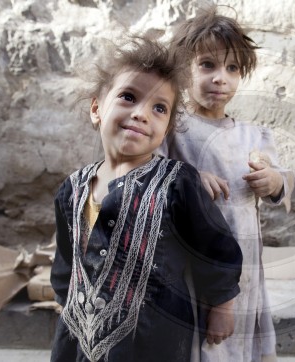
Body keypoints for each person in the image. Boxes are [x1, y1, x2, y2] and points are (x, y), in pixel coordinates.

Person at [50, 35, 243, 362]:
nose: (142, 114)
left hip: (155, 335)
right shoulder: (73, 188)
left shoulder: (178, 183)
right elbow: (67, 260)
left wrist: (222, 307)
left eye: (159, 108)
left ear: (166, 126)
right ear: (97, 109)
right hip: (81, 332)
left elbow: (216, 248)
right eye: (128, 97)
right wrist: (64, 297)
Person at [161, 5, 295, 362]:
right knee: (202, 339)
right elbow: (149, 174)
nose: (221, 78)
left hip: (245, 256)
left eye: (232, 68)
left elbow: (281, 185)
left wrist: (273, 180)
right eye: (208, 65)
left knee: (238, 340)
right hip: (195, 257)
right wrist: (188, 177)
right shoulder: (174, 129)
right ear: (183, 69)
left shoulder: (253, 134)